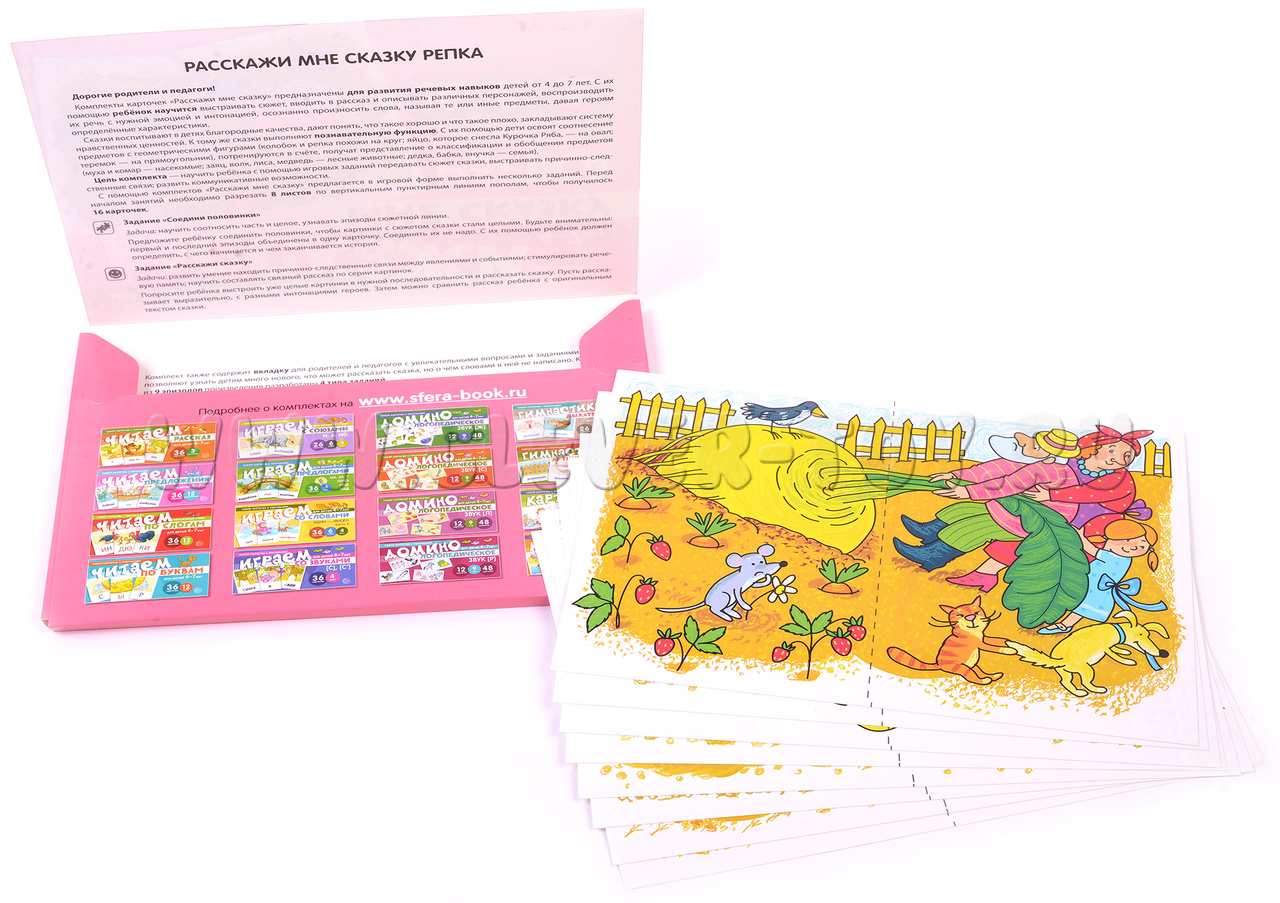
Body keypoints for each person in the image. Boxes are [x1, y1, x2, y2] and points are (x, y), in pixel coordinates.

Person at [1037, 515, 1165, 634]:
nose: (1133, 547)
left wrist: (1081, 537)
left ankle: (1065, 625)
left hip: (1094, 588)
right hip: (1095, 586)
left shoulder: (1113, 557)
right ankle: (1065, 624)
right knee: (1079, 608)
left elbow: (1091, 549)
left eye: (1142, 546)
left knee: (1081, 608)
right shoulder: (1123, 558)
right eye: (1127, 540)